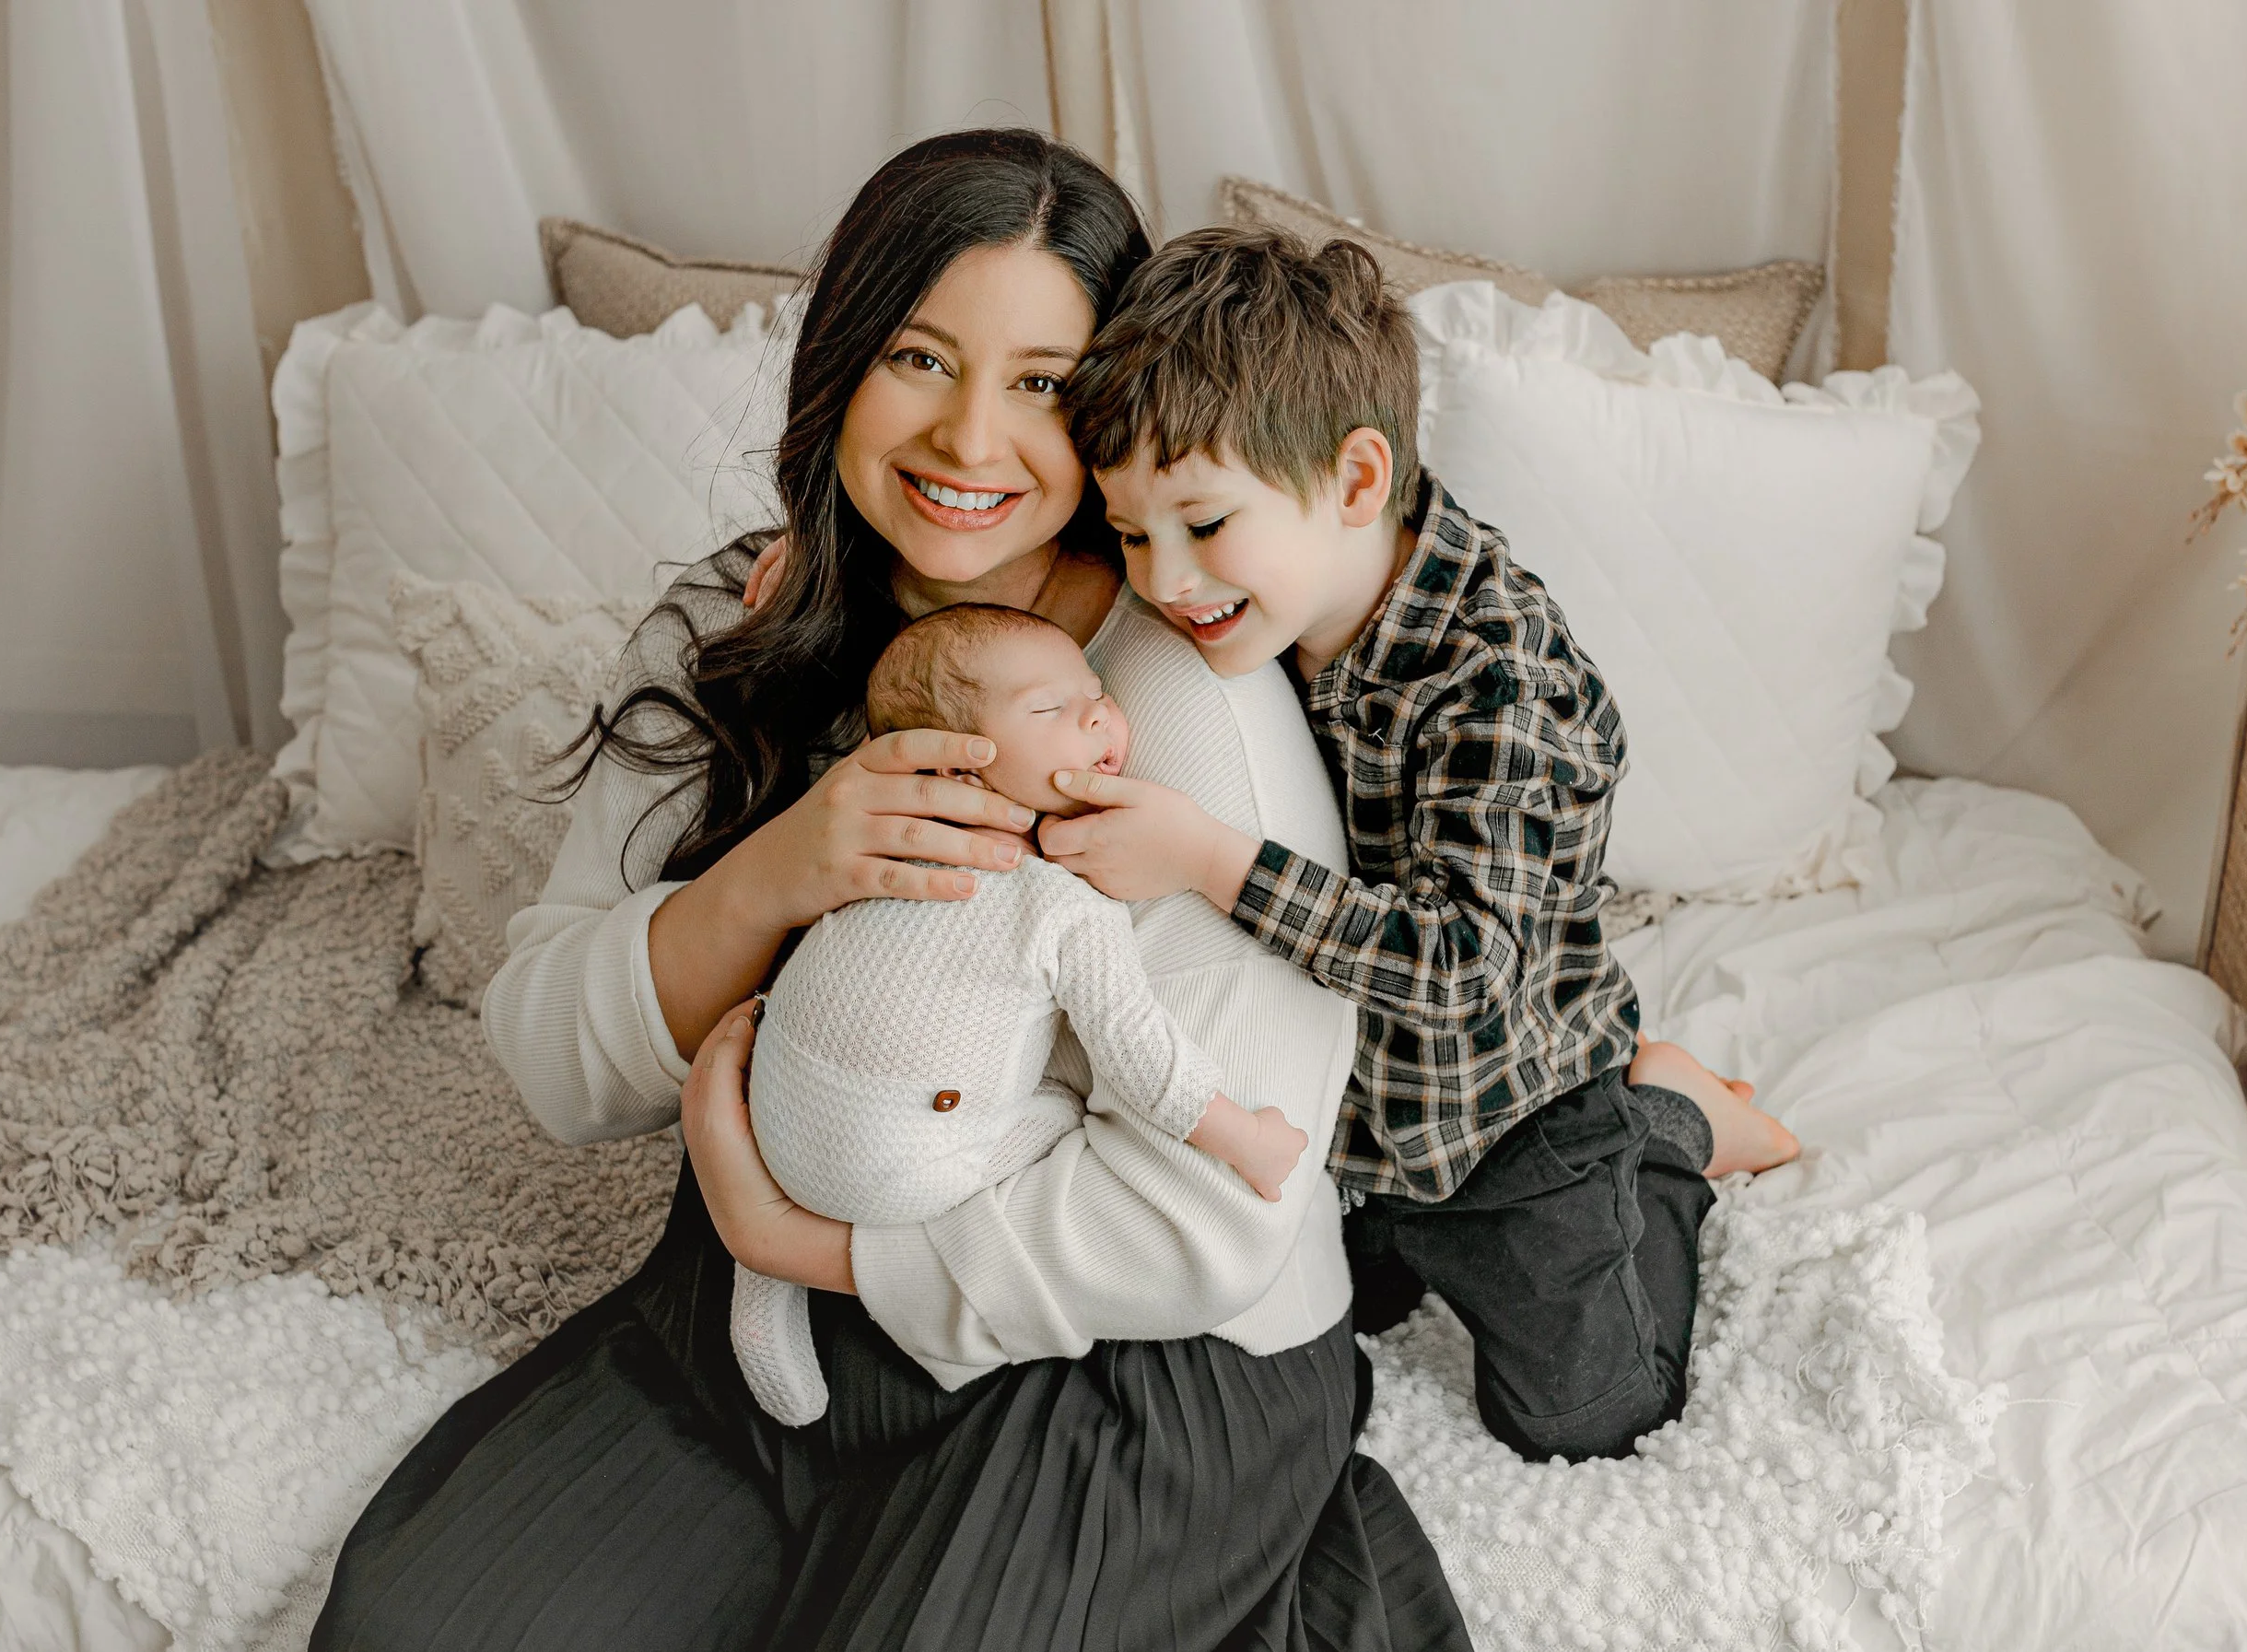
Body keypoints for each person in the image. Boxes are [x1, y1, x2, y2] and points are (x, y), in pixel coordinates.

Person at [311, 132, 1470, 1651]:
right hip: (758, 1323)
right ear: (842, 359)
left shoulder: (1176, 701)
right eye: (920, 358)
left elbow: (1218, 1213)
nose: (971, 439)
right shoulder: (734, 618)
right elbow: (549, 1057)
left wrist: (822, 1249)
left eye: (1045, 383)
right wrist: (782, 871)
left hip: (1129, 1353)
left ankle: (1280, 1546)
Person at [1044, 225, 1802, 1463]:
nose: (1164, 581)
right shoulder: (1275, 598)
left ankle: (1668, 1118)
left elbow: (1459, 968)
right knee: (1275, 1316)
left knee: (1587, 1412)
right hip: (1365, 1119)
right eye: (1133, 534)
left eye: (1203, 523)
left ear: (1355, 480)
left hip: (1518, 1110)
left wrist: (1203, 856)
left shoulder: (1498, 675)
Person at [728, 603, 1308, 1426]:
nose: (1099, 714)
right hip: (899, 1168)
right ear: (955, 765)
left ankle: (760, 1285)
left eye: (1097, 692)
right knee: (1064, 1106)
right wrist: (1244, 1137)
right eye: (1051, 708)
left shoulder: (882, 850)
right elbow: (1136, 1051)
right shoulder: (1062, 902)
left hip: (767, 1118)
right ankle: (840, 1264)